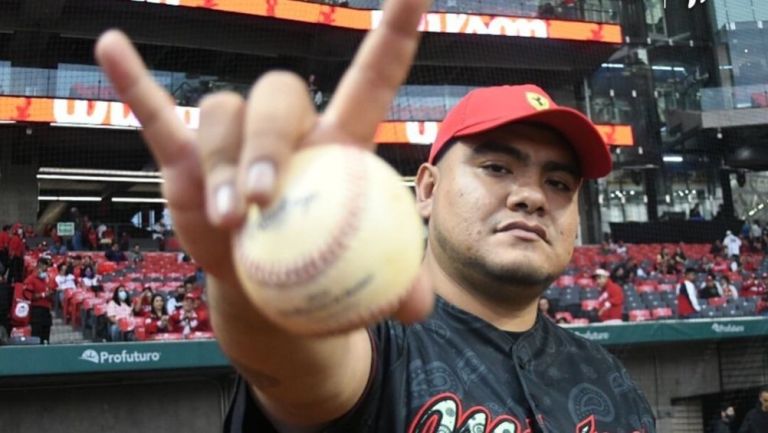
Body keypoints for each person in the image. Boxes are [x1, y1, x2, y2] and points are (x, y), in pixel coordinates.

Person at [95, 15, 656, 433]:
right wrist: (264, 265)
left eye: (559, 183)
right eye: (497, 167)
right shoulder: (373, 347)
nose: (533, 195)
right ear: (429, 190)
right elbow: (295, 365)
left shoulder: (613, 382)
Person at [24, 257, 53, 344]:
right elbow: (29, 296)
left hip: (46, 310)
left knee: (46, 337)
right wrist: (43, 295)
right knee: (36, 337)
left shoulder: (46, 280)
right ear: (39, 265)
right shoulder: (31, 279)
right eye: (45, 266)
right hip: (37, 310)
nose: (46, 269)